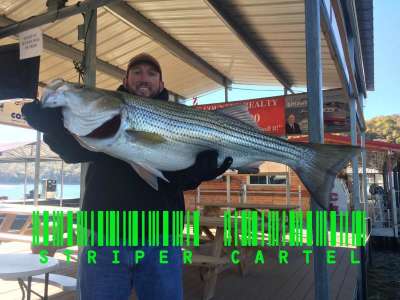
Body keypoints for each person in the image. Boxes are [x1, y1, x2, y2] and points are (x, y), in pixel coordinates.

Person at [22, 53, 233, 300]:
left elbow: (179, 179)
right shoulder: (102, 119)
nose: (144, 78)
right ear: (125, 79)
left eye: (151, 74)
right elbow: (72, 151)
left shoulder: (181, 116)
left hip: (161, 235)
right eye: (137, 72)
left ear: (162, 84)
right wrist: (52, 127)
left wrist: (199, 173)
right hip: (106, 235)